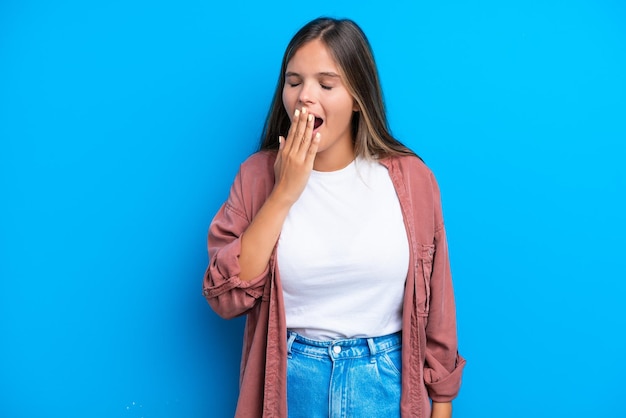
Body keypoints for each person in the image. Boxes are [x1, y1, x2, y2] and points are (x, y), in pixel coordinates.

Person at [203, 17, 465, 418]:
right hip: (291, 383)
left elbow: (438, 302)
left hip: (386, 382)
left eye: (326, 84)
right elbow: (225, 297)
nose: (305, 97)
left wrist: (442, 402)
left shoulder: (413, 180)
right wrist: (284, 193)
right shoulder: (257, 177)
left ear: (359, 97)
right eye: (294, 82)